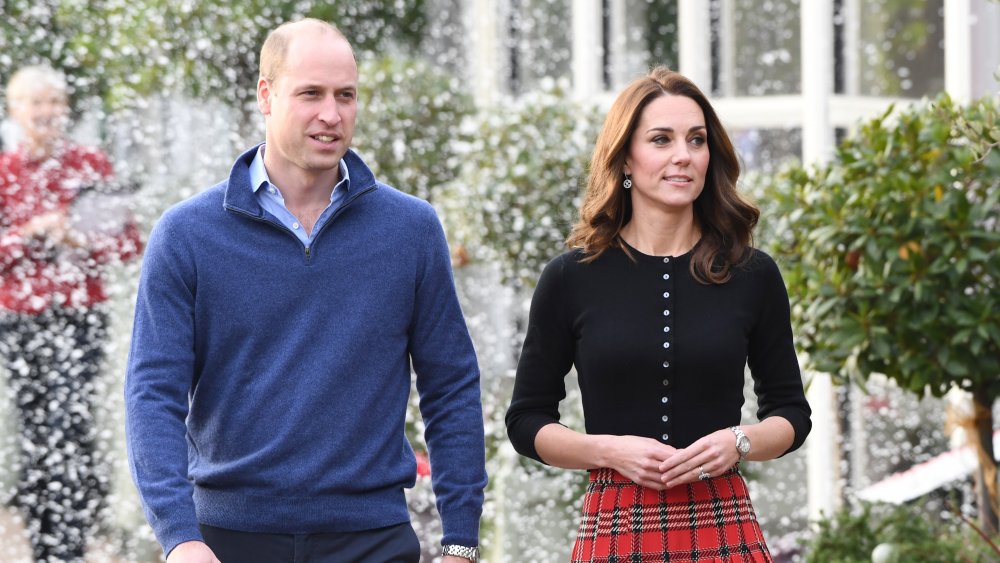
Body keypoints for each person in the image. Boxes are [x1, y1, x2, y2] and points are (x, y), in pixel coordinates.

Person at [124, 18, 487, 563]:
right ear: (266, 96)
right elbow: (152, 393)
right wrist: (179, 539)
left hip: (373, 538)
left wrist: (460, 539)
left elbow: (451, 384)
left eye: (346, 95)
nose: (331, 114)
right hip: (226, 542)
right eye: (310, 94)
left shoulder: (411, 229)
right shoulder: (187, 234)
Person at [505, 66, 812, 562]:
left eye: (696, 140)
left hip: (722, 519)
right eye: (661, 139)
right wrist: (608, 451)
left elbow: (792, 415)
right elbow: (526, 421)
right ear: (626, 157)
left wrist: (739, 442)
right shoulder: (570, 277)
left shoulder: (753, 274)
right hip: (615, 522)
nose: (683, 156)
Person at [0, 65, 143, 561]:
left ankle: (77, 537)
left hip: (81, 313)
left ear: (66, 109)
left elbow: (129, 244)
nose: (45, 113)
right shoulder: (4, 172)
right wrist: (31, 233)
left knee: (75, 422)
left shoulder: (89, 164)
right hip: (21, 318)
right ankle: (43, 541)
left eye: (54, 103)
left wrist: (77, 238)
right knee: (37, 424)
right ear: (13, 110)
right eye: (34, 104)